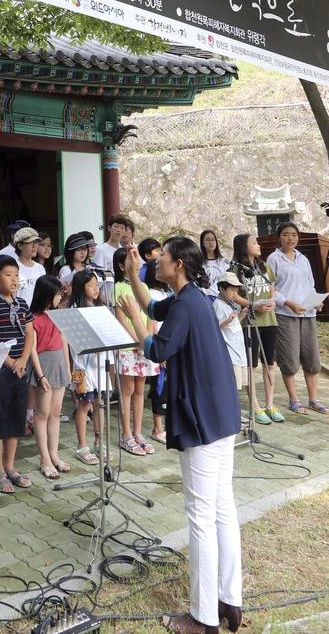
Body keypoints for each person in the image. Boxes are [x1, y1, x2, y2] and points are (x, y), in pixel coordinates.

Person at [121, 238, 242, 634]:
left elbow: (157, 348)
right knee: (223, 507)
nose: (156, 263)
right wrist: (131, 275)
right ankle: (229, 600)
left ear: (179, 265)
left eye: (162, 259)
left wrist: (130, 320)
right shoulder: (191, 298)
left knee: (201, 517)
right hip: (221, 414)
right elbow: (153, 306)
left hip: (202, 418)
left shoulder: (188, 304)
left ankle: (203, 617)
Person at [0, 255, 34, 493]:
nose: (14, 279)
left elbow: (31, 335)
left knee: (16, 418)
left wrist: (22, 360)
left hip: (20, 369)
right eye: (8, 275)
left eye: (16, 275)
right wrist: (12, 362)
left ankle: (11, 467)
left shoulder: (22, 304)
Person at [267, 222, 326, 415]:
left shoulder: (303, 259)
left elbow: (310, 285)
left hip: (308, 313)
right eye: (286, 234)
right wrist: (288, 303)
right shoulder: (273, 259)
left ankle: (313, 399)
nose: (290, 238)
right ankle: (294, 399)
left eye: (294, 234)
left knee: (312, 359)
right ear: (279, 237)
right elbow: (271, 290)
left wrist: (316, 301)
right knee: (289, 359)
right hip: (286, 315)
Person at [229, 233, 284, 424]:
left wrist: (271, 302)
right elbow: (233, 295)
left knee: (270, 363)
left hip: (269, 321)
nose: (258, 245)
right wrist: (253, 305)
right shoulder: (235, 269)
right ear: (244, 247)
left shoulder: (264, 267)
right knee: (251, 365)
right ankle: (256, 406)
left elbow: (272, 288)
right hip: (249, 323)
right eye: (254, 242)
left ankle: (270, 404)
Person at [113, 248, 158, 457]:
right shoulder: (119, 288)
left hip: (144, 343)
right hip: (128, 346)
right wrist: (140, 340)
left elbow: (151, 314)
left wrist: (148, 338)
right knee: (127, 391)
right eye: (131, 260)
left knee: (140, 389)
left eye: (137, 259)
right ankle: (126, 434)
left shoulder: (144, 286)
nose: (137, 263)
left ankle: (139, 432)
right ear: (122, 266)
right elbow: (121, 321)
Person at [28, 274, 71, 480]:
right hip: (43, 365)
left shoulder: (58, 315)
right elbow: (33, 350)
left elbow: (63, 341)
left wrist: (68, 368)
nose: (60, 297)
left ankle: (54, 454)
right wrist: (40, 374)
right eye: (57, 294)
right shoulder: (33, 318)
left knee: (56, 411)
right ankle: (44, 458)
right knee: (42, 413)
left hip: (59, 364)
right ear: (47, 294)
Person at [69, 269, 106, 465]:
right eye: (91, 286)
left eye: (97, 285)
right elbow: (75, 344)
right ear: (81, 287)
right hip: (82, 367)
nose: (95, 289)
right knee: (83, 405)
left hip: (100, 365)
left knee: (99, 403)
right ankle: (82, 445)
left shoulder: (99, 307)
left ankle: (99, 441)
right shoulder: (75, 309)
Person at [213, 272, 248, 406]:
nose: (235, 293)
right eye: (232, 290)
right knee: (232, 386)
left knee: (238, 385)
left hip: (238, 350)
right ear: (222, 289)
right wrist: (227, 321)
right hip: (230, 352)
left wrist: (241, 316)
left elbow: (233, 325)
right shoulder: (218, 304)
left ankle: (233, 412)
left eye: (236, 290)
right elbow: (214, 327)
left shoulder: (230, 304)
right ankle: (229, 412)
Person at [143, 260, 169, 444]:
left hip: (169, 345)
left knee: (168, 389)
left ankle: (167, 425)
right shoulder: (151, 293)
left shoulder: (166, 293)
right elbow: (152, 324)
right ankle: (157, 427)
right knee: (159, 389)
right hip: (161, 345)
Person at [13, 226, 46, 304]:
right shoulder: (13, 267)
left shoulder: (40, 268)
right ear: (20, 245)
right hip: (20, 314)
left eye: (37, 243)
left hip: (38, 313)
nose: (35, 246)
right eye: (31, 243)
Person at [200, 230, 229, 294]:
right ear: (202, 243)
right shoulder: (199, 262)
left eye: (213, 240)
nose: (211, 242)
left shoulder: (224, 262)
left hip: (221, 297)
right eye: (207, 240)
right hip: (205, 297)